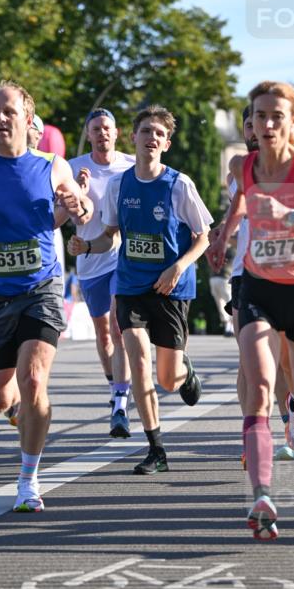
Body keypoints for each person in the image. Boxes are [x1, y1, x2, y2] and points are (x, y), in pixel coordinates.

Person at [0, 80, 92, 514]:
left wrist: (79, 205)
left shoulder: (53, 165)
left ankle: (28, 481)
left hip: (41, 288)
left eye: (8, 112)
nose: (0, 119)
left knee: (32, 380)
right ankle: (18, 416)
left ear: (29, 120)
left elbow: (83, 211)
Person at [208, 81, 294, 541]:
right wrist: (223, 236)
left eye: (275, 117)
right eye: (259, 115)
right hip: (258, 288)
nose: (266, 124)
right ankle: (261, 494)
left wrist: (290, 218)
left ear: (292, 123)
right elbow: (241, 202)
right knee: (260, 387)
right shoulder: (243, 164)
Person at [69, 105, 212, 473]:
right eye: (146, 131)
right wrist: (86, 247)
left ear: (166, 144)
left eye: (159, 134)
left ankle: (184, 370)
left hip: (170, 289)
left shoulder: (179, 185)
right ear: (133, 138)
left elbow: (203, 238)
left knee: (168, 377)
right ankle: (156, 450)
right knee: (137, 359)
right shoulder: (119, 184)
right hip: (131, 284)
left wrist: (179, 265)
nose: (151, 138)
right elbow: (109, 237)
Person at [63, 108, 135, 438]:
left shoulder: (132, 166)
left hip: (124, 257)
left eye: (107, 128)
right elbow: (66, 217)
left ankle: (121, 401)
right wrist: (77, 193)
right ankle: (115, 388)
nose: (102, 133)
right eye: (96, 129)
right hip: (90, 259)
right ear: (89, 134)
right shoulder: (74, 167)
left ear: (116, 133)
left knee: (119, 329)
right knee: (103, 332)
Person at [209, 244, 234, 336]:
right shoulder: (230, 249)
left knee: (225, 303)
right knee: (223, 303)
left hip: (221, 278)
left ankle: (230, 327)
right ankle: (229, 326)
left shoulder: (229, 249)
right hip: (219, 278)